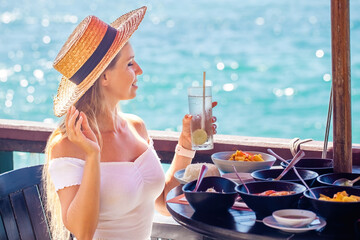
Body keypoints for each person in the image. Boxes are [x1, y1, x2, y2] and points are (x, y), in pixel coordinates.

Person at [43, 6, 217, 240]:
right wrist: (93, 156)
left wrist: (186, 145)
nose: (140, 71)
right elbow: (83, 233)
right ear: (104, 76)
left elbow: (164, 203)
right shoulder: (67, 146)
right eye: (130, 64)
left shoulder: (136, 127)